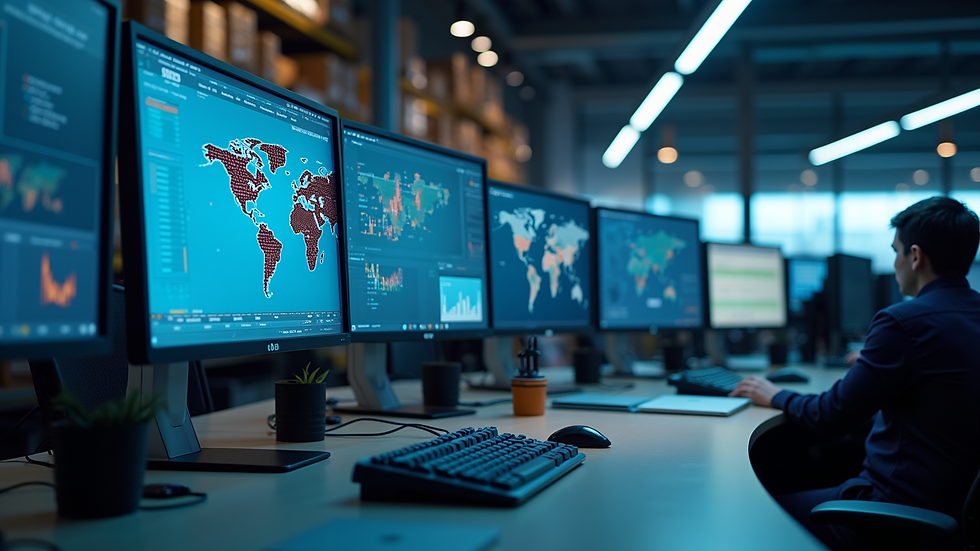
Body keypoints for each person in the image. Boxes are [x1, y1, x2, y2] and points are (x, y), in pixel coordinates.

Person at [730, 196, 980, 551]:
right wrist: (878, 366)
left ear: (915, 256)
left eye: (895, 252)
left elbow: (831, 415)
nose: (895, 263)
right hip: (953, 507)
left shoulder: (903, 322)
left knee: (754, 515)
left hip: (893, 514)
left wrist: (775, 394)